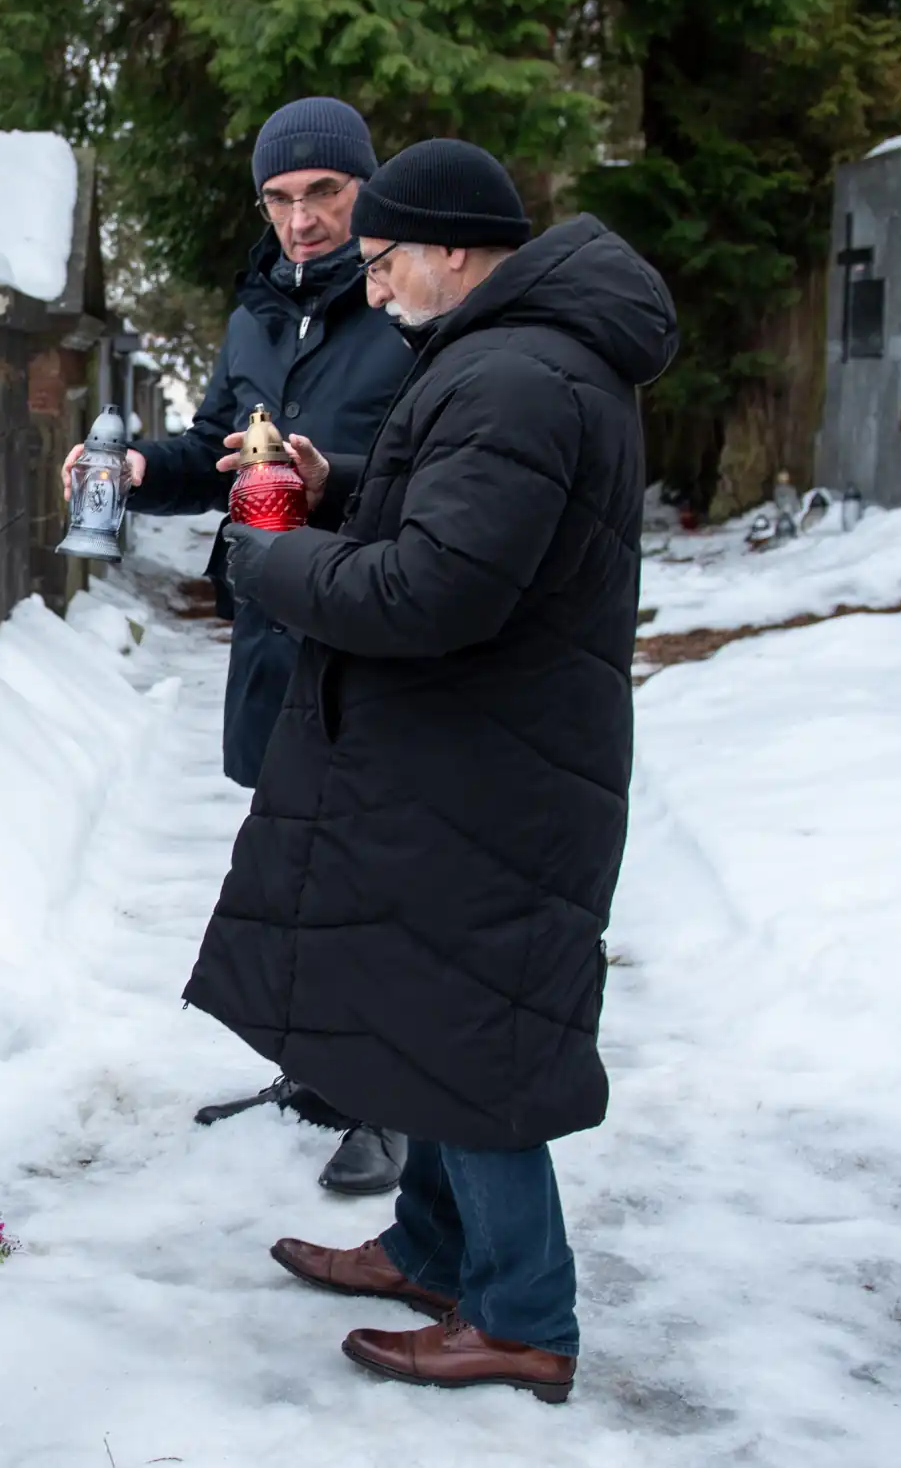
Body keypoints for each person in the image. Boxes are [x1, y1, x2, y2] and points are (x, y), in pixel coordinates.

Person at [185, 138, 678, 1404]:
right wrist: (332, 482)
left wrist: (269, 555)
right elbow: (456, 516)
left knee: (474, 1034)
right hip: (476, 747)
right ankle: (431, 1249)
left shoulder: (517, 373)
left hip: (491, 756)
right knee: (429, 1003)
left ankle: (523, 1315)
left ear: (454, 249)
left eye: (387, 254)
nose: (376, 277)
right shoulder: (514, 356)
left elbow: (434, 588)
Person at [62, 95, 416, 1199]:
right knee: (294, 853)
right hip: (272, 619)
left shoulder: (409, 305)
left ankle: (394, 1104)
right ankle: (314, 1072)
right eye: (279, 198)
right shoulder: (260, 309)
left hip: (374, 615)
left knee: (377, 866)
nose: (301, 221)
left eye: (324, 196)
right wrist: (133, 470)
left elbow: (440, 463)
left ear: (365, 192)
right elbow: (216, 439)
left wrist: (337, 487)